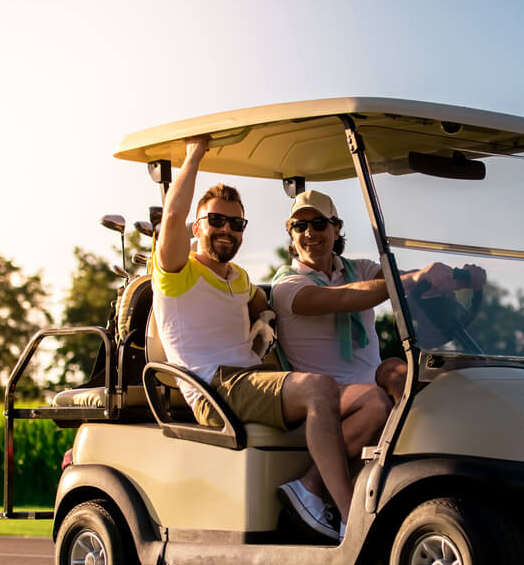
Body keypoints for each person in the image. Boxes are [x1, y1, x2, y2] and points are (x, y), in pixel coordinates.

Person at [152, 136, 379, 542]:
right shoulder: (175, 271)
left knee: (374, 402)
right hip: (214, 386)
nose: (226, 230)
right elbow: (171, 218)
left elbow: (262, 302)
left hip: (250, 379)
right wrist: (194, 154)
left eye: (236, 224)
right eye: (216, 221)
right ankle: (350, 519)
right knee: (319, 388)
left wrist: (266, 320)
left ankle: (310, 489)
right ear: (196, 226)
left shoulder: (236, 277)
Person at [271, 188, 486, 402]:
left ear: (336, 229)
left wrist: (460, 280)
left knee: (421, 375)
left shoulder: (359, 269)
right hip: (324, 395)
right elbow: (344, 298)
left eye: (318, 223)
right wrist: (412, 280)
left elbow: (407, 280)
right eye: (299, 226)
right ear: (291, 234)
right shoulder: (287, 284)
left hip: (373, 379)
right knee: (382, 394)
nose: (309, 233)